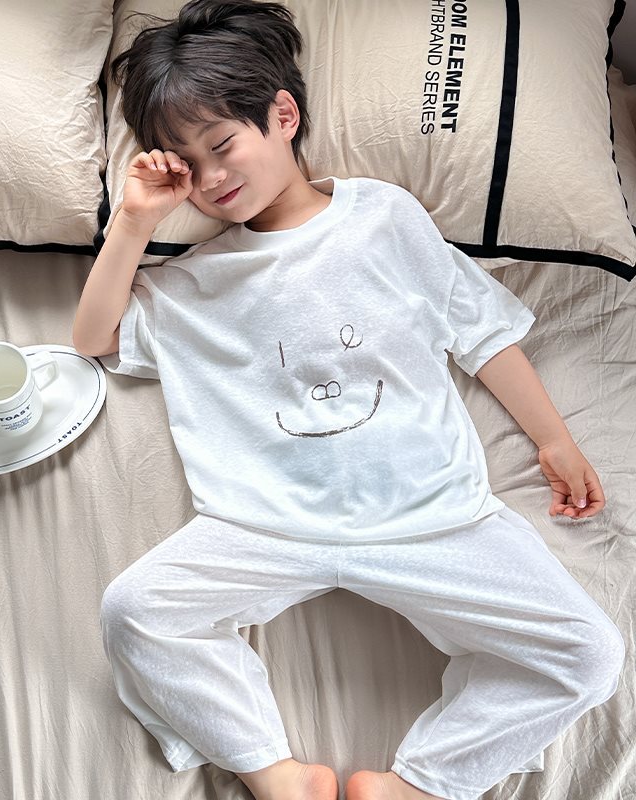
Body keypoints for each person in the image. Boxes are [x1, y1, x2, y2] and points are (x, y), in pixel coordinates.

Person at [72, 2, 625, 798]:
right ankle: (273, 770)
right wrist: (132, 220)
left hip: (429, 517)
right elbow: (94, 337)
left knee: (589, 654)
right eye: (187, 164)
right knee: (135, 611)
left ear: (283, 116)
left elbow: (480, 331)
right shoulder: (193, 283)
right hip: (264, 524)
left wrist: (553, 439)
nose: (213, 178)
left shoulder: (384, 217)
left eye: (222, 145)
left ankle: (418, 783)